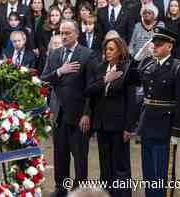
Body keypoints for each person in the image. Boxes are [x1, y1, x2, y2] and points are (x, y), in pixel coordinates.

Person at [129, 26, 180, 197]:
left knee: (163, 175)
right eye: (153, 43)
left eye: (159, 44)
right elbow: (130, 79)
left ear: (169, 46)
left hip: (166, 128)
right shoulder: (148, 63)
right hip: (147, 126)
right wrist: (138, 57)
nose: (154, 47)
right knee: (149, 175)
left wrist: (177, 132)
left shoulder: (179, 68)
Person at [41, 19, 99, 197]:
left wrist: (87, 114)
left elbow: (93, 87)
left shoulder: (88, 55)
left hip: (79, 115)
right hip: (58, 115)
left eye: (68, 33)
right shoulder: (55, 54)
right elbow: (44, 80)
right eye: (62, 33)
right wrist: (60, 71)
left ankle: (79, 191)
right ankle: (61, 188)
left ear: (77, 34)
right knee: (60, 155)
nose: (64, 36)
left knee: (79, 157)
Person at [86, 37, 133, 197]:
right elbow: (89, 90)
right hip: (101, 124)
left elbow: (131, 101)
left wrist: (128, 127)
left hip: (119, 125)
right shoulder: (100, 68)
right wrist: (105, 80)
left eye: (111, 49)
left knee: (120, 165)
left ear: (120, 50)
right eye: (106, 49)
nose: (107, 52)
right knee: (105, 164)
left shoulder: (127, 69)